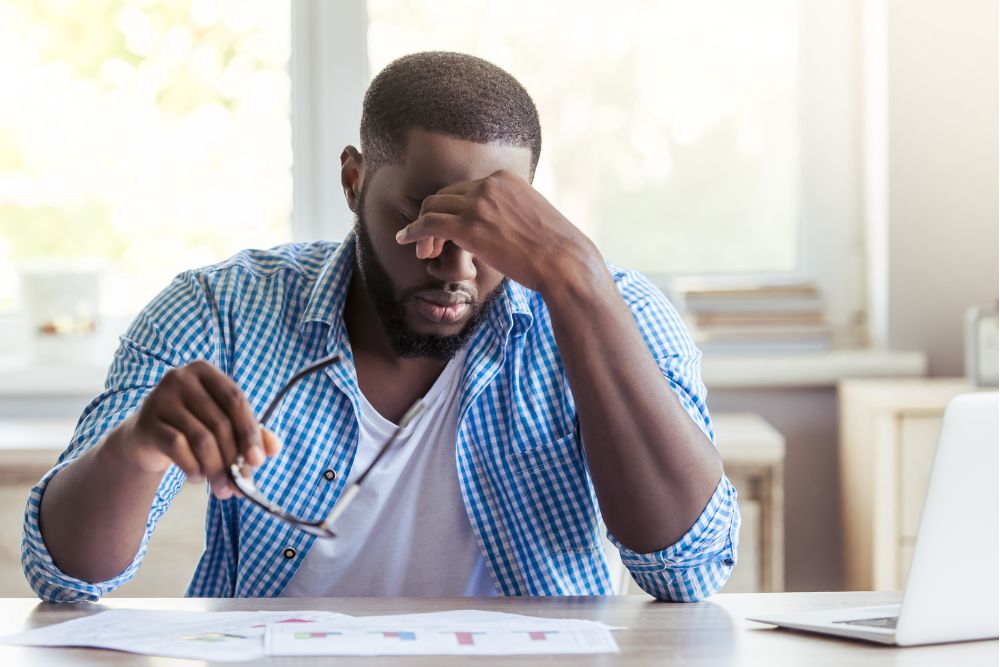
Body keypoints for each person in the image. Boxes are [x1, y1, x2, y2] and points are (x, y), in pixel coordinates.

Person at [23, 51, 740, 603]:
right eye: (418, 216)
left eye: (485, 221)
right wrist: (135, 449)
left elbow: (688, 569)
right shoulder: (221, 309)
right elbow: (64, 579)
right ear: (353, 181)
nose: (452, 262)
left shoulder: (611, 310)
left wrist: (575, 277)